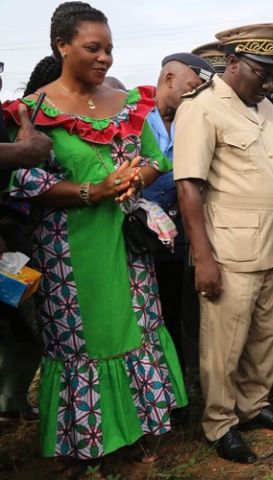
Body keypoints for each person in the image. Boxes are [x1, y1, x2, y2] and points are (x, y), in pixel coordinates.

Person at [2, 1, 187, 463]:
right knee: (80, 342)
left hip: (127, 243)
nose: (104, 58)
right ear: (61, 46)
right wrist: (93, 190)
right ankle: (88, 447)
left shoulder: (128, 103)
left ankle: (139, 430)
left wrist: (133, 179)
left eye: (109, 49)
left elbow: (153, 158)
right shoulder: (31, 110)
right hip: (67, 250)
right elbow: (22, 180)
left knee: (136, 328)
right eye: (93, 48)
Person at [174, 23, 273, 464]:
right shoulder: (203, 108)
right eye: (260, 72)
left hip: (272, 245)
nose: (269, 82)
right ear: (232, 63)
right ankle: (220, 423)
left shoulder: (267, 109)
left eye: (272, 73)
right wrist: (204, 258)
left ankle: (253, 405)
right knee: (223, 345)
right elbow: (189, 186)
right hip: (228, 251)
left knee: (265, 337)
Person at [141, 53, 215, 399]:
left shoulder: (197, 119)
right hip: (138, 237)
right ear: (169, 79)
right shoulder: (134, 119)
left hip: (184, 236)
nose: (195, 95)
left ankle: (184, 392)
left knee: (184, 315)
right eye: (191, 86)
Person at [0, 59, 52, 429]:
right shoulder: (18, 119)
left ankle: (10, 399)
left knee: (22, 322)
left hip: (17, 240)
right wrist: (27, 145)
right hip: (10, 237)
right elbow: (27, 159)